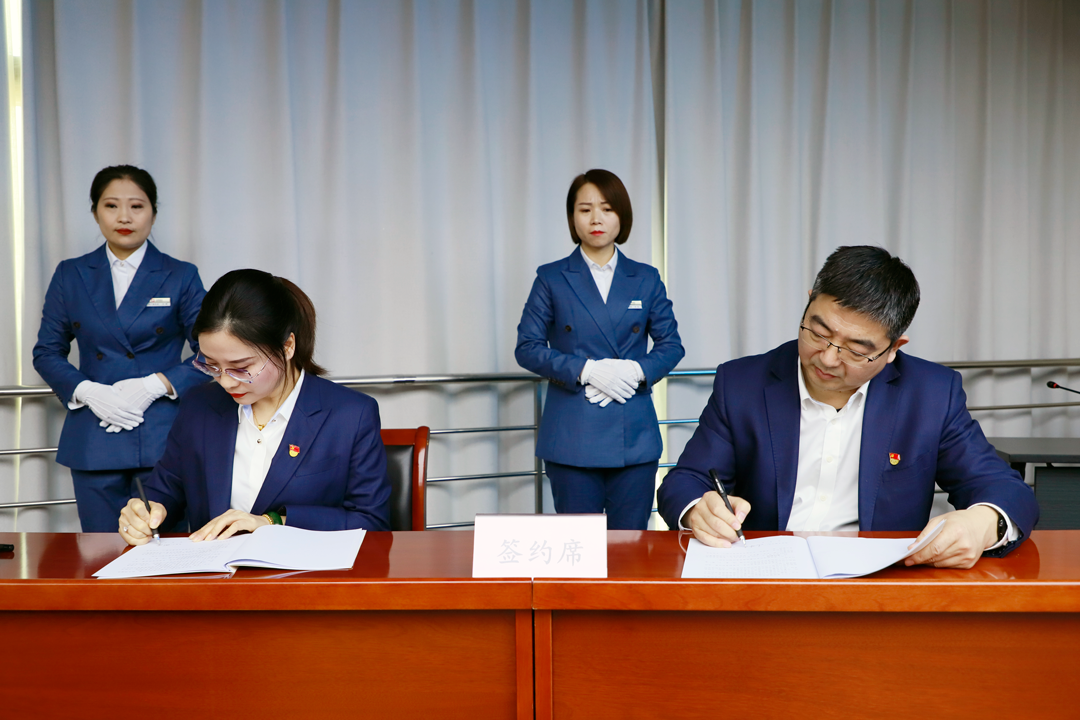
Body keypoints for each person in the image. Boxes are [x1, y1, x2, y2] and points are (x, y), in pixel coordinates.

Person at [658, 246, 1039, 567]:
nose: (827, 358)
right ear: (809, 301)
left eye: (856, 350)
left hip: (878, 591)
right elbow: (685, 481)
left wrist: (983, 521)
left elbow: (1003, 488)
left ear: (894, 349)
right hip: (765, 578)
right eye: (818, 332)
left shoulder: (931, 395)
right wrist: (699, 510)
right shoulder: (743, 383)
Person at [118, 269, 391, 545]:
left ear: (287, 346)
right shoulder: (199, 406)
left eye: (241, 367)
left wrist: (273, 522)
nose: (225, 381)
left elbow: (372, 522)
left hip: (301, 569)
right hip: (214, 568)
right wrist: (144, 513)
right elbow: (165, 491)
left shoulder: (350, 415)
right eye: (211, 365)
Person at [32, 165, 207, 532]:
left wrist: (155, 385)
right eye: (111, 205)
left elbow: (211, 353)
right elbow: (46, 351)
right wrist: (87, 391)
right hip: (94, 435)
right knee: (101, 551)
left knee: (166, 550)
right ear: (95, 211)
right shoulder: (71, 274)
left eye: (137, 206)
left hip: (162, 434)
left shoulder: (181, 274)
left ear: (153, 213)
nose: (124, 217)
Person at [515, 169, 684, 530]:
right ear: (572, 217)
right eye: (585, 209)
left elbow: (671, 345)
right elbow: (527, 347)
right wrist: (587, 370)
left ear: (622, 216)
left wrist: (634, 371)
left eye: (606, 209)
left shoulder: (646, 277)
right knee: (578, 546)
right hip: (572, 433)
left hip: (633, 431)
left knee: (631, 545)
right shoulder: (551, 277)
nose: (596, 219)